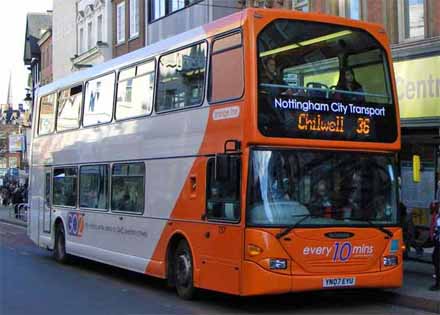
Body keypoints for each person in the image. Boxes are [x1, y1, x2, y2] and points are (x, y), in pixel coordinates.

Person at [430, 202, 440, 290]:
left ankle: (438, 284)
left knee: (436, 260)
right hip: (438, 241)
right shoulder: (437, 216)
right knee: (435, 258)